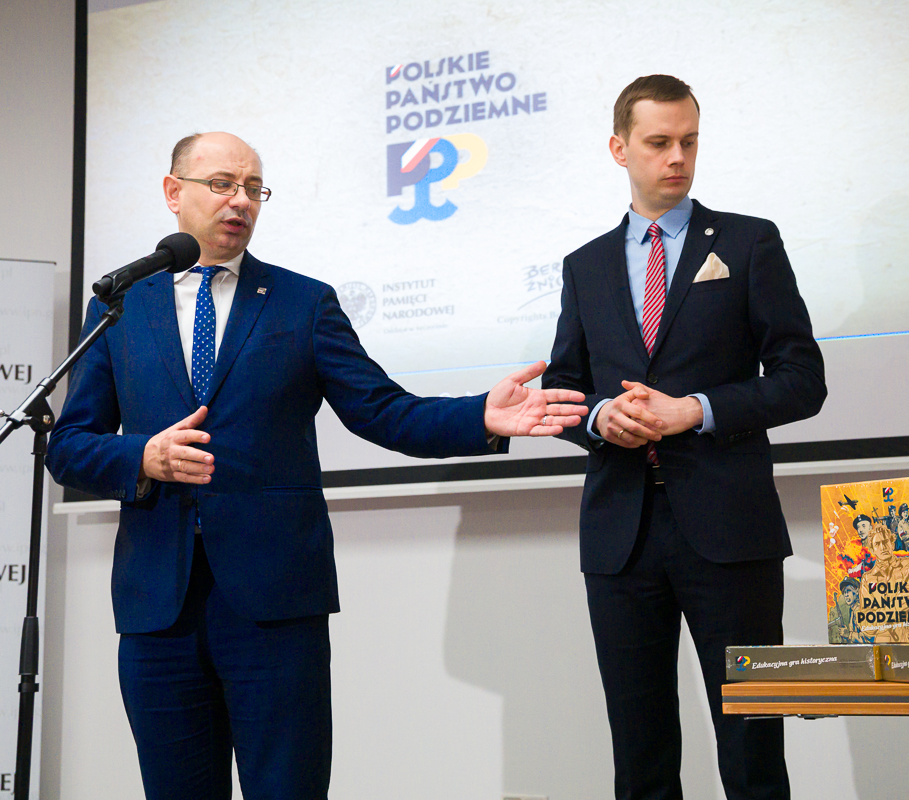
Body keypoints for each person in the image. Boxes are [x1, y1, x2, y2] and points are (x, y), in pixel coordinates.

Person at [46, 131, 587, 800]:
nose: (240, 201)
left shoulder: (302, 303)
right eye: (222, 184)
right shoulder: (121, 307)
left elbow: (383, 412)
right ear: (172, 192)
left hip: (274, 604)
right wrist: (144, 456)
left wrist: (481, 415)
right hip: (157, 606)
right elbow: (68, 447)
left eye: (253, 188)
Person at [542, 75, 826, 800]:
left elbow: (802, 379)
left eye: (689, 142)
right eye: (659, 142)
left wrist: (694, 409)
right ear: (619, 149)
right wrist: (600, 419)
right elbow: (564, 391)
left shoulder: (749, 241)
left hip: (730, 529)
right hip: (621, 535)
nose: (677, 158)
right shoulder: (585, 265)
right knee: (639, 756)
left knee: (752, 749)